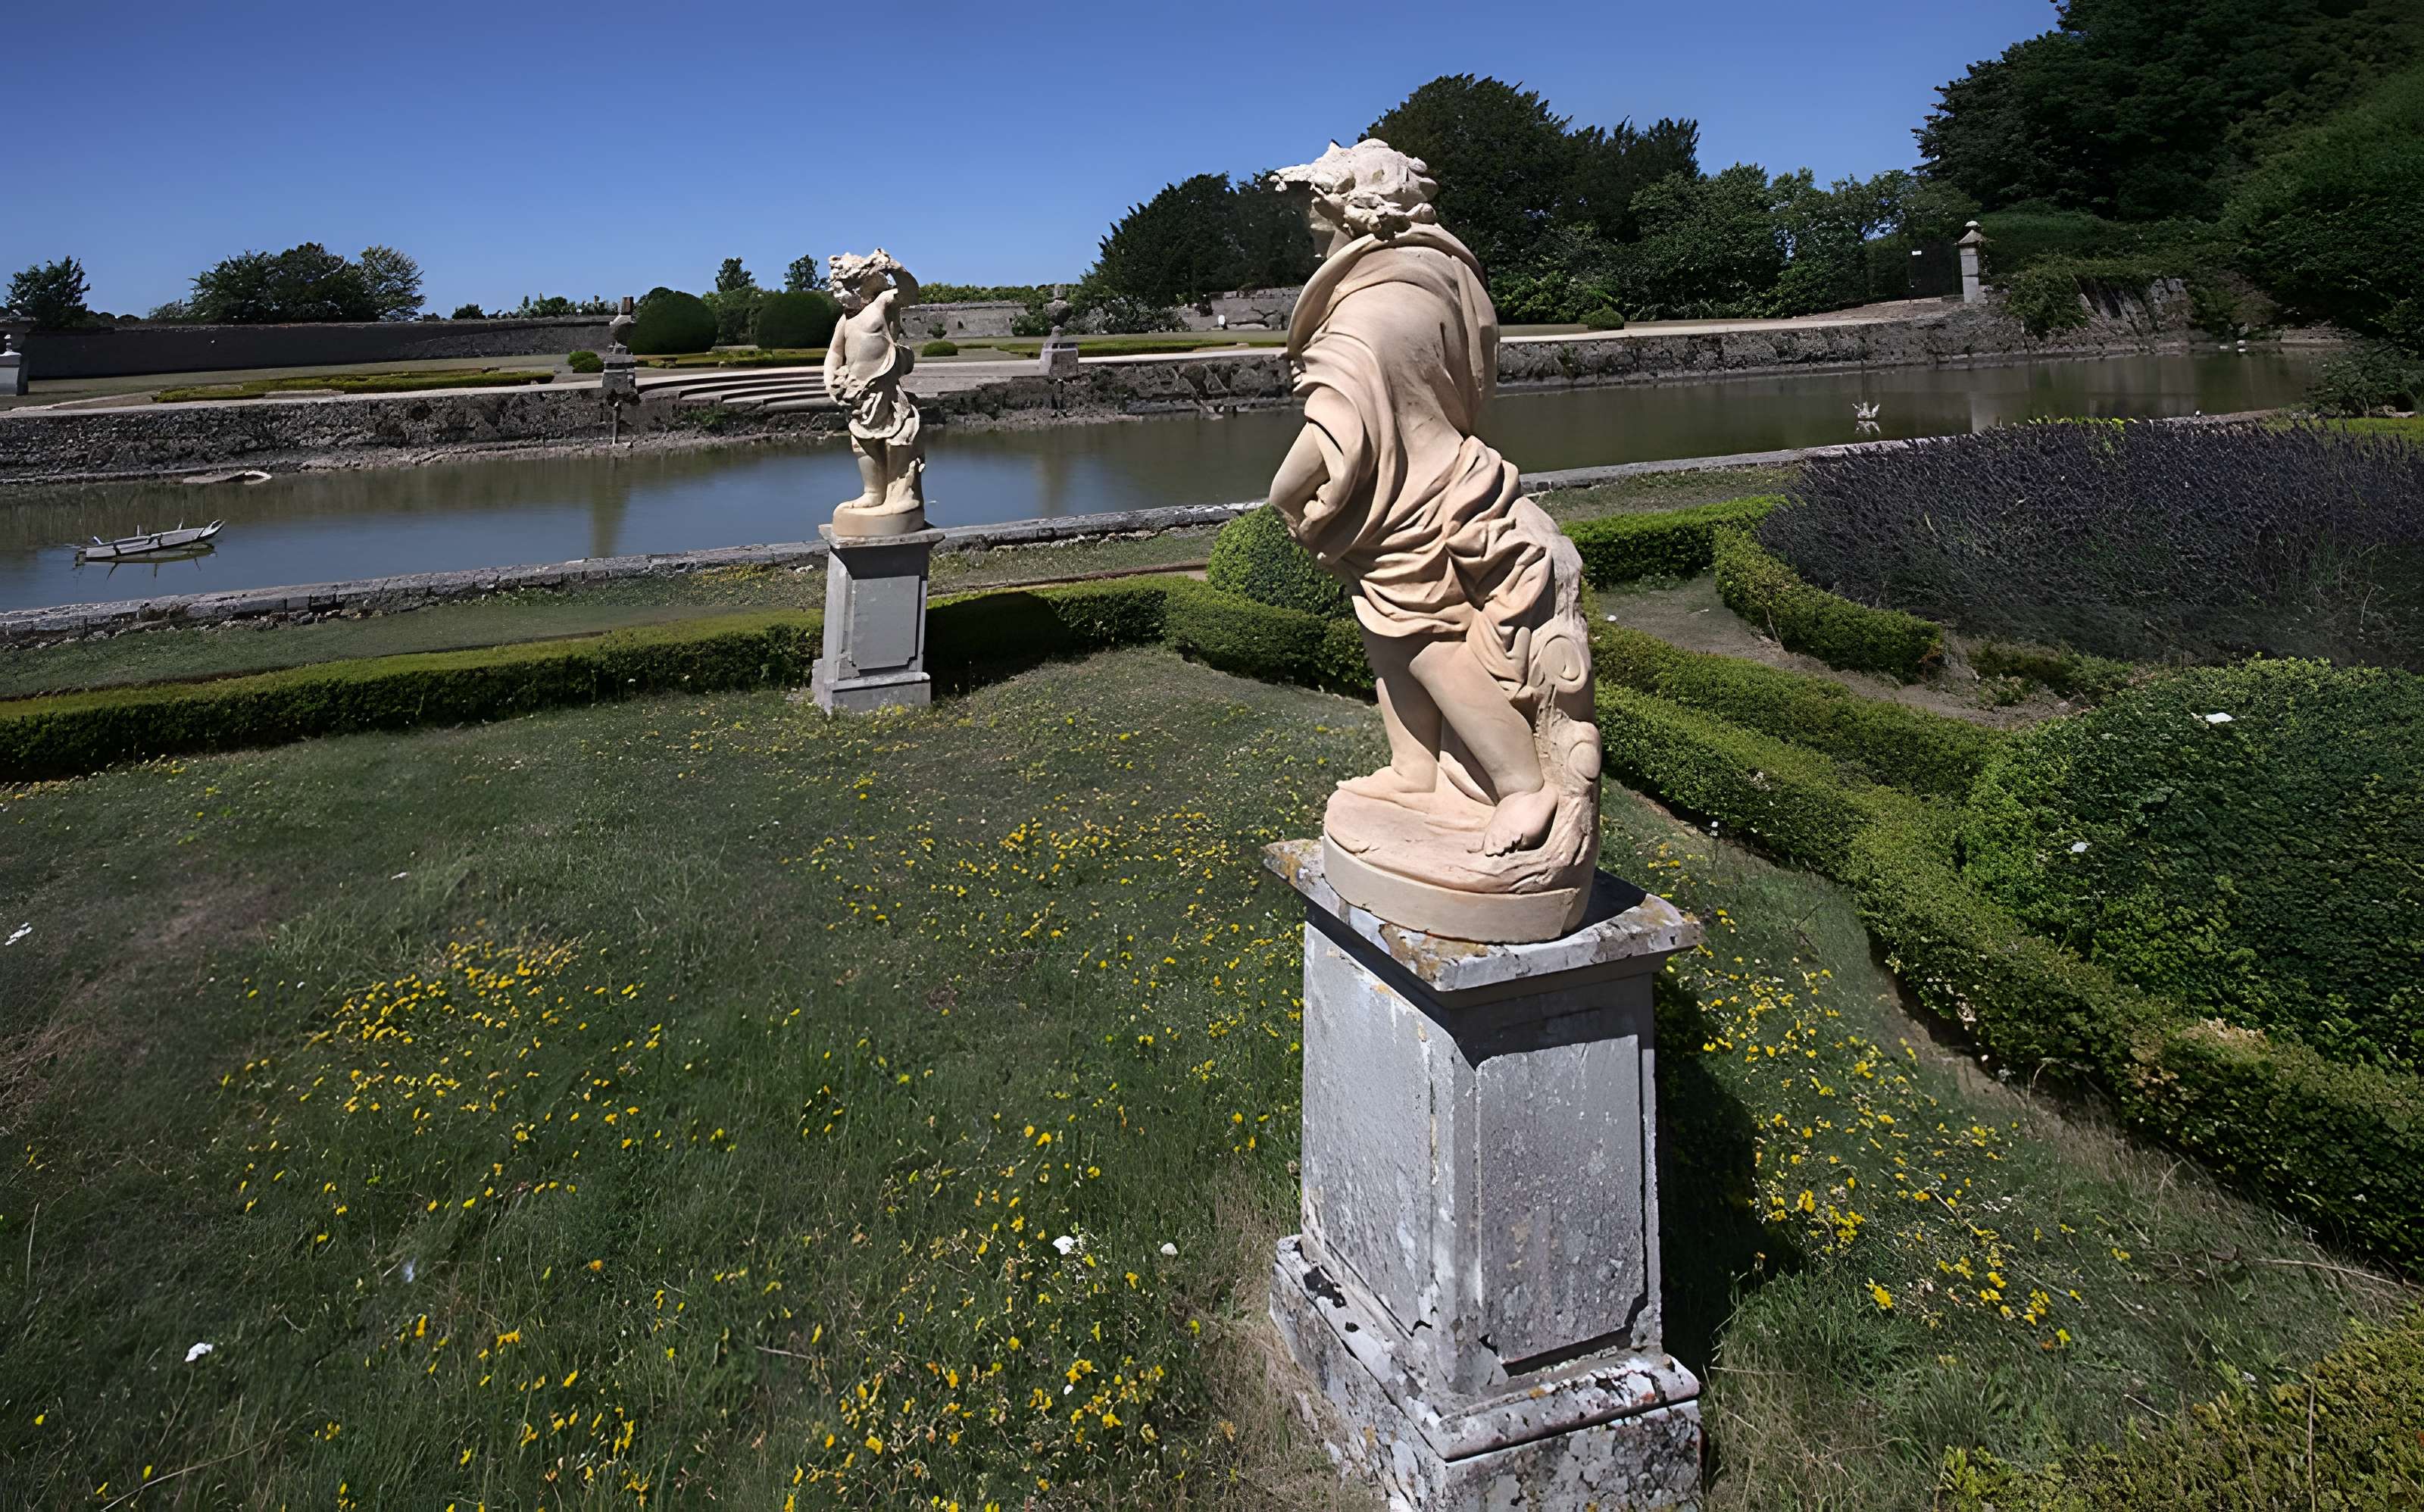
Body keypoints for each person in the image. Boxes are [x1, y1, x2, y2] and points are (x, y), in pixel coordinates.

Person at [821, 249, 925, 530]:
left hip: (884, 390)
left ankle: (900, 495)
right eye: (837, 289)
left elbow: (910, 293)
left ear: (863, 284)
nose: (839, 294)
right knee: (861, 442)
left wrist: (894, 268)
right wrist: (829, 377)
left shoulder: (881, 304)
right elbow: (834, 352)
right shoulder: (845, 320)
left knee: (895, 439)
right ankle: (873, 493)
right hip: (857, 393)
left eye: (844, 287)